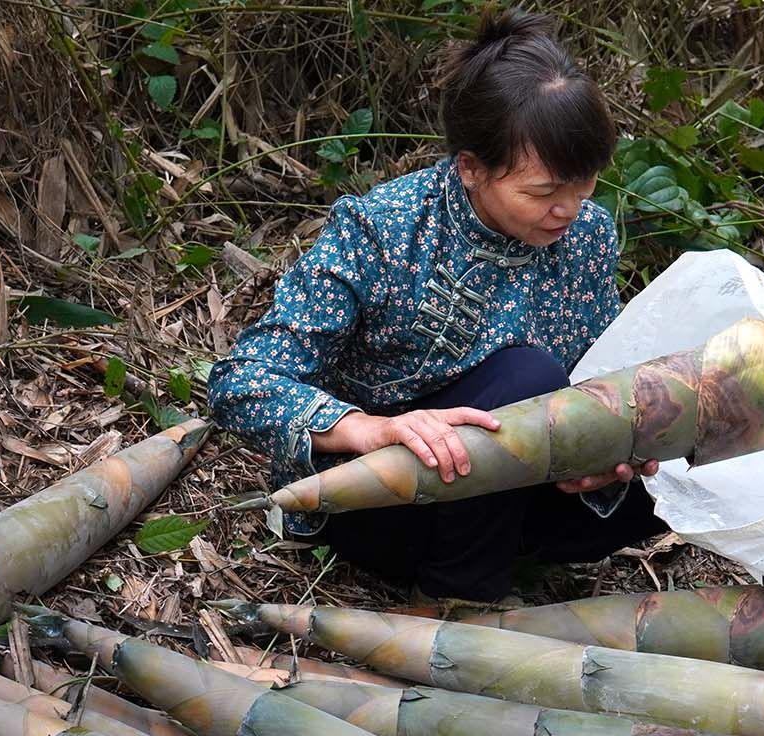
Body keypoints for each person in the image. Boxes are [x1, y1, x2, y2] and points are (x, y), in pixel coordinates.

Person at [210, 7, 664, 604]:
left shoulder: (588, 234)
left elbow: (592, 377)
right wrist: (366, 427)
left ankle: (503, 552)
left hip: (511, 491)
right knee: (524, 375)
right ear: (471, 169)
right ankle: (455, 601)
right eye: (544, 193)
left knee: (668, 462)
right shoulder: (384, 228)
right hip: (385, 498)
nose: (570, 211)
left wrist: (606, 449)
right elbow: (240, 382)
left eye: (584, 187)